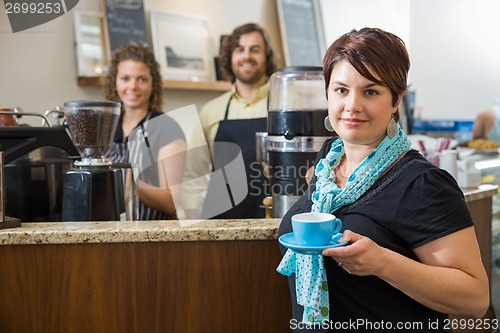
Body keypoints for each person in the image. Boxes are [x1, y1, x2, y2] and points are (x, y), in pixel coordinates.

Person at [277, 28, 489, 332]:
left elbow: (475, 299)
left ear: (395, 101)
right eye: (341, 90)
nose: (352, 105)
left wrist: (382, 263)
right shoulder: (328, 161)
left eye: (371, 91)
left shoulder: (423, 183)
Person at [181, 23, 278, 219]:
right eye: (239, 49)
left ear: (266, 57)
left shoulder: (286, 104)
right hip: (221, 222)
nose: (247, 56)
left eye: (255, 49)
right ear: (230, 58)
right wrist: (194, 227)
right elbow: (193, 175)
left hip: (275, 220)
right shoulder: (211, 111)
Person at [104, 44, 186, 220]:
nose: (132, 86)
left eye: (141, 79)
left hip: (154, 236)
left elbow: (171, 201)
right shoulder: (105, 127)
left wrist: (128, 182)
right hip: (112, 232)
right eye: (125, 78)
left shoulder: (166, 128)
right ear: (114, 81)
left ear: (153, 83)